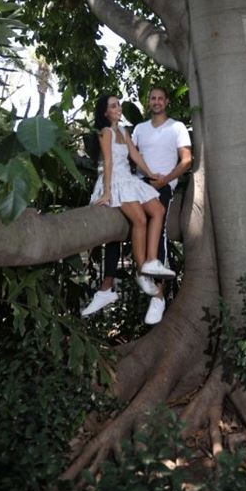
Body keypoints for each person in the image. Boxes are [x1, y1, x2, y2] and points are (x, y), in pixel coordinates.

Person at [81, 94, 174, 322]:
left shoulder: (123, 131)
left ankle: (151, 261)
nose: (118, 108)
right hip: (114, 180)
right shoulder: (106, 132)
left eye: (118, 104)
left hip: (129, 179)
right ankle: (142, 271)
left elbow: (134, 155)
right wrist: (107, 192)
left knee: (158, 211)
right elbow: (109, 162)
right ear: (104, 112)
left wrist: (151, 174)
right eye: (113, 106)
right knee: (140, 220)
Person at [130, 85, 192, 325]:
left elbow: (186, 160)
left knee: (160, 233)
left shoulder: (176, 128)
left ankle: (158, 296)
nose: (156, 101)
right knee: (136, 225)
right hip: (138, 184)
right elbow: (131, 156)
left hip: (163, 183)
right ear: (149, 102)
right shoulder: (139, 129)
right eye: (152, 98)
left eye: (160, 98)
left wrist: (165, 180)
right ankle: (144, 276)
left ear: (166, 102)